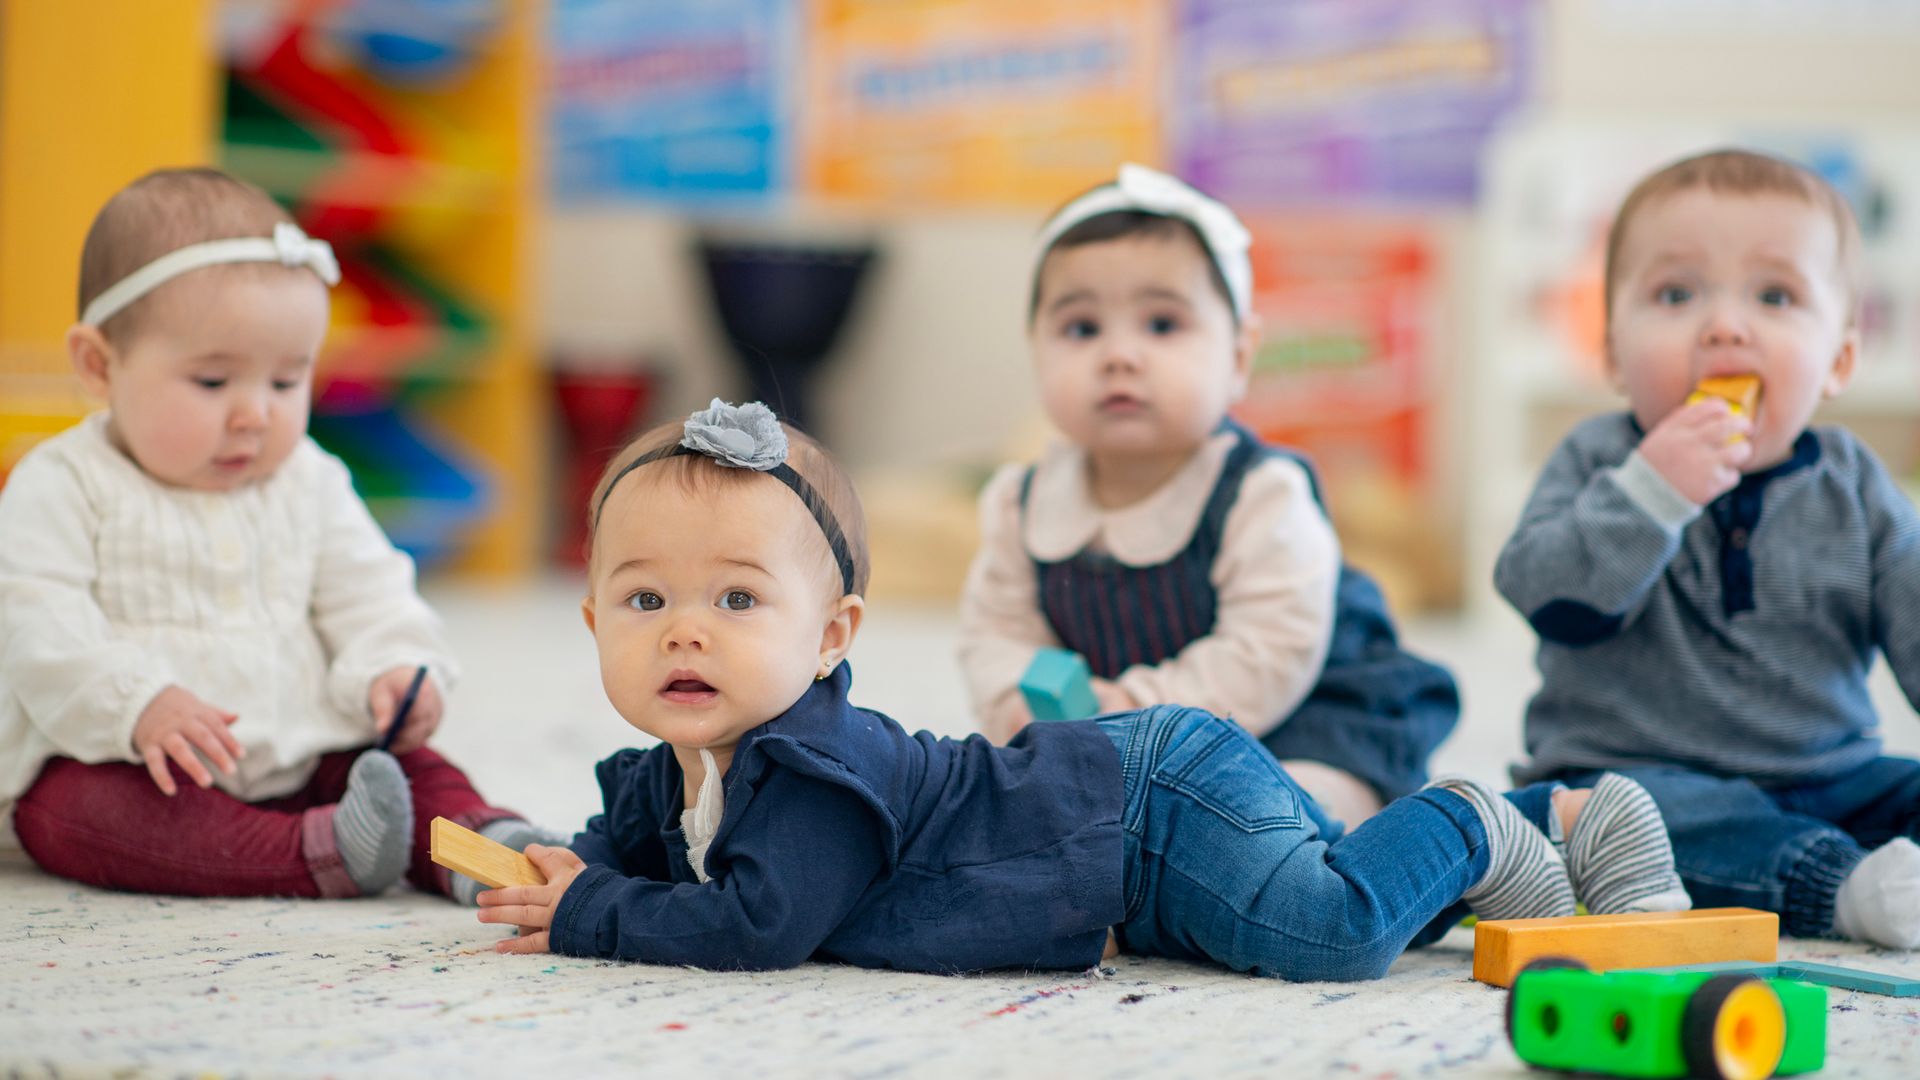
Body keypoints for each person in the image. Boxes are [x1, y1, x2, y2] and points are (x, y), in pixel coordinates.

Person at [472, 400, 1685, 976]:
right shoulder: (675, 770)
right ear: (590, 622)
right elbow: (623, 845)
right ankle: (1564, 836)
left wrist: (589, 916)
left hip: (1146, 807)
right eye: (644, 604)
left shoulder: (806, 768)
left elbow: (760, 925)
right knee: (1313, 893)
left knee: (1327, 936)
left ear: (833, 637)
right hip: (1120, 850)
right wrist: (543, 867)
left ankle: (1478, 820)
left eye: (738, 602)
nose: (686, 633)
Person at [0, 167, 549, 902]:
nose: (255, 414)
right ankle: (309, 853)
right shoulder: (62, 481)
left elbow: (370, 591)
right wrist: (137, 704)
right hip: (130, 761)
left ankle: (481, 846)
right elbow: (36, 624)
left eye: (287, 382)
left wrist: (395, 666)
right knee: (84, 815)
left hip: (305, 746)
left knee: (412, 770)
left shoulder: (309, 479)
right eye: (213, 382)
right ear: (100, 366)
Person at [1498, 148, 1920, 948]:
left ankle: (1862, 868)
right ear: (1614, 354)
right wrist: (1654, 491)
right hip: (1639, 780)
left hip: (1831, 778)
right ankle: (1836, 889)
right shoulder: (1599, 460)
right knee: (1639, 824)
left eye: (1774, 294)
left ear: (1838, 359)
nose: (1725, 324)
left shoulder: (1855, 485)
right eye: (1676, 293)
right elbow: (1544, 594)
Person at [957, 163, 1454, 826]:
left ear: (1240, 357)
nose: (1120, 355)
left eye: (1162, 325)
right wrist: (1015, 698)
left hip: (1301, 712)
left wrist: (1131, 709)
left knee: (1301, 808)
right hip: (1116, 737)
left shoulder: (1260, 494)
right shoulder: (1022, 503)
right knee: (1003, 802)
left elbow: (1267, 654)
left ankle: (1386, 838)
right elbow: (997, 631)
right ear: (1037, 351)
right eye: (1081, 329)